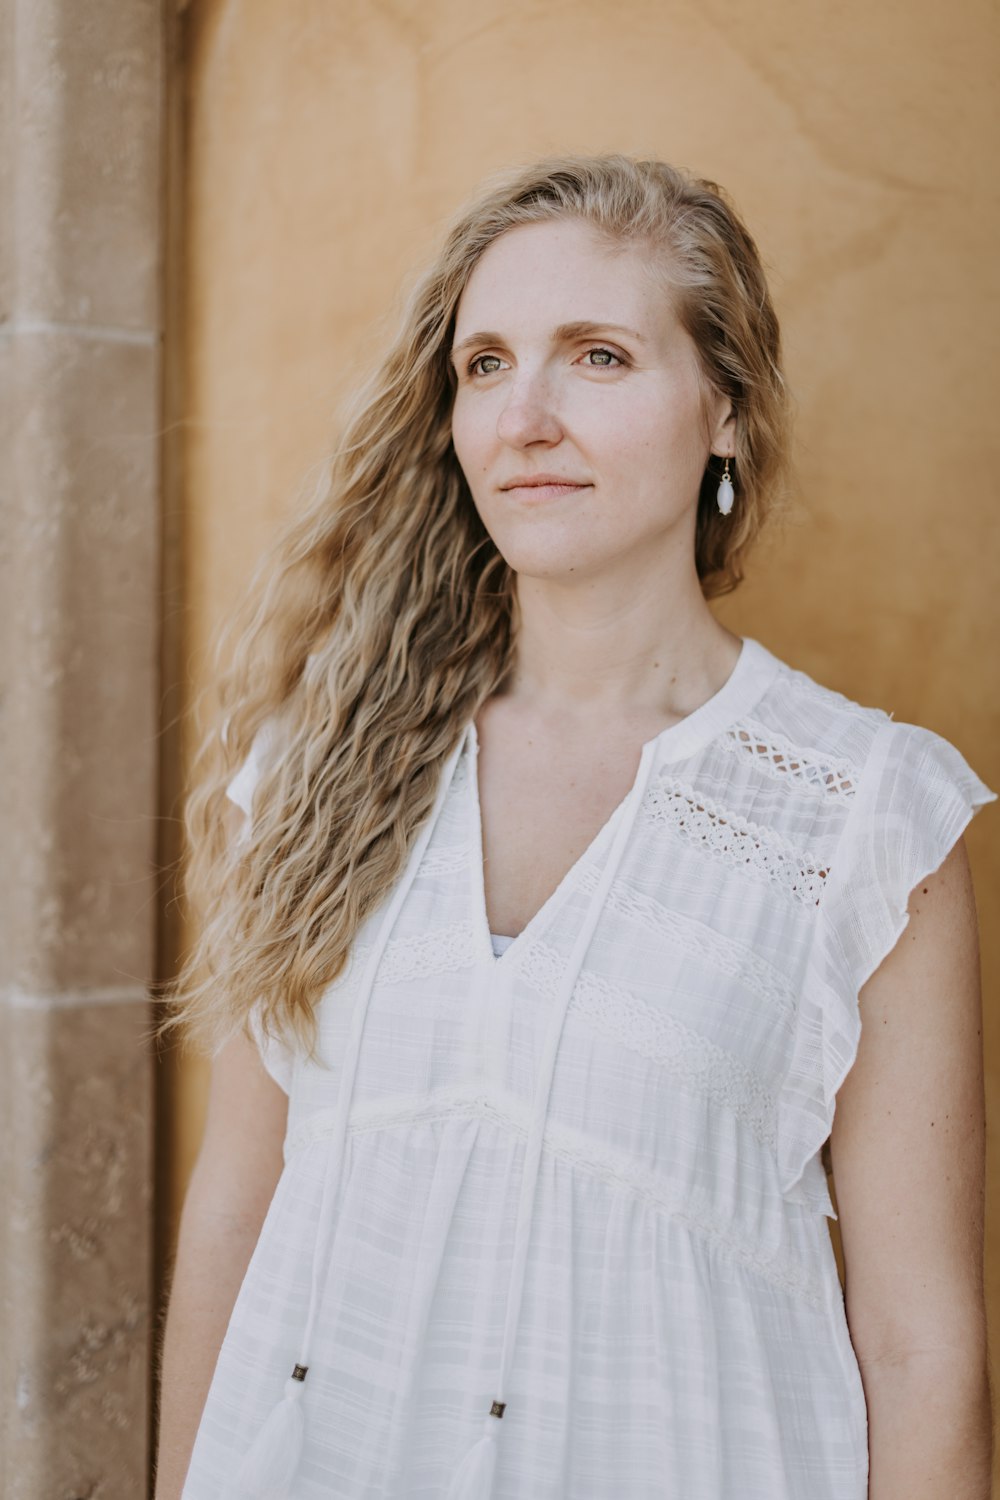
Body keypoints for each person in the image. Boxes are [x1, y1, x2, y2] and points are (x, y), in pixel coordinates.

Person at [155, 154, 996, 1500]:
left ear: (725, 408)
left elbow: (923, 1348)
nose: (525, 416)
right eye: (485, 365)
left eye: (596, 357)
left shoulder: (870, 818)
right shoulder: (313, 772)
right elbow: (236, 1207)